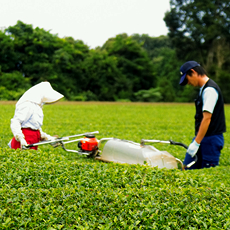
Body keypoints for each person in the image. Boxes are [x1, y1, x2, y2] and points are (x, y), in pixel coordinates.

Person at [179, 61, 226, 169]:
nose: (188, 83)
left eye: (187, 79)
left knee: (207, 172)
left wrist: (196, 142)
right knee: (186, 168)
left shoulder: (209, 90)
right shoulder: (203, 89)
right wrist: (197, 141)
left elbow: (207, 118)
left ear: (193, 72)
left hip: (211, 139)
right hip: (202, 137)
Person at [8, 81, 64, 150]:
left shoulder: (37, 106)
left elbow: (36, 128)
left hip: (34, 139)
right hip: (24, 141)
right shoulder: (27, 105)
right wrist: (21, 139)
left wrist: (49, 139)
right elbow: (15, 122)